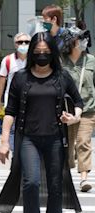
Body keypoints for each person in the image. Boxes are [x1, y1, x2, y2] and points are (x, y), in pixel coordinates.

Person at [0, 32, 83, 213]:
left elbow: (78, 101)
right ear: (32, 53)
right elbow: (10, 111)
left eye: (45, 51)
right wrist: (3, 142)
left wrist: (74, 117)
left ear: (52, 53)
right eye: (37, 52)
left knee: (55, 187)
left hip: (55, 139)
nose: (41, 55)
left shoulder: (62, 77)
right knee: (31, 183)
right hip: (28, 139)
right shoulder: (20, 78)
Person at [61, 26, 95, 192]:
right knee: (65, 145)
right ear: (71, 42)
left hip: (88, 110)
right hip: (65, 111)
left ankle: (84, 178)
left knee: (83, 142)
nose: (84, 41)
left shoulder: (91, 61)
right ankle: (65, 174)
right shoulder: (60, 62)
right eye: (80, 38)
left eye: (84, 38)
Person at [0, 32, 31, 153]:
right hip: (12, 100)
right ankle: (16, 153)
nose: (24, 44)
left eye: (27, 42)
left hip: (31, 100)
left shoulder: (34, 60)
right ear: (15, 45)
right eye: (20, 42)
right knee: (12, 128)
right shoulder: (8, 60)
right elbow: (2, 80)